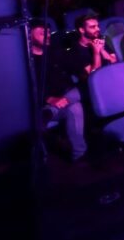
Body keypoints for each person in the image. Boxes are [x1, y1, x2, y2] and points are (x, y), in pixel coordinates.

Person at [32, 20, 87, 161]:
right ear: (29, 35)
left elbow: (78, 69)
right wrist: (48, 99)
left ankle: (51, 111)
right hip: (44, 104)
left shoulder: (55, 52)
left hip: (63, 99)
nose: (47, 36)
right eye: (42, 33)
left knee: (78, 96)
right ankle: (79, 154)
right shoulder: (26, 61)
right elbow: (28, 90)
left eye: (48, 32)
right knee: (75, 106)